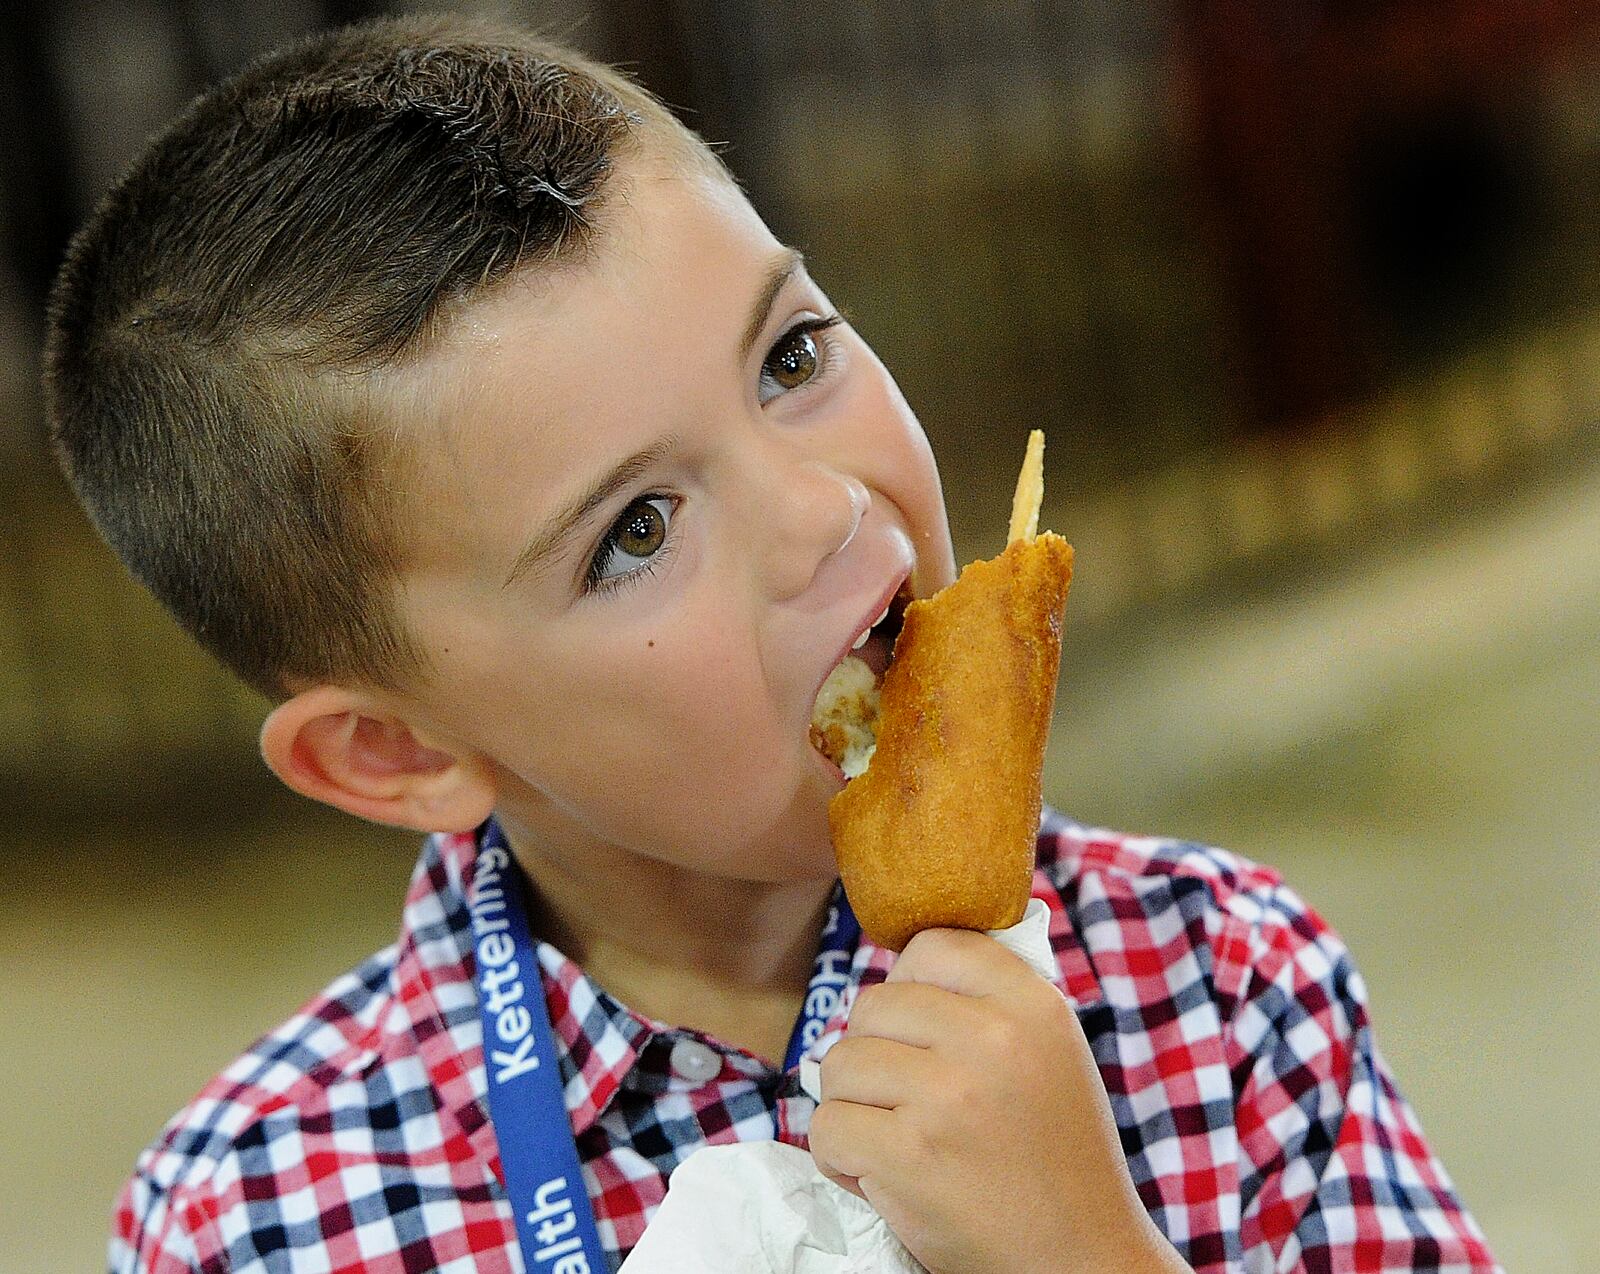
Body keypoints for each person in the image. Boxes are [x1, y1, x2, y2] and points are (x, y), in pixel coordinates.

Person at [46, 15, 1498, 1274]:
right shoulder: (259, 1214)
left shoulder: (1219, 985)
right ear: (401, 747)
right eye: (634, 531)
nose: (819, 512)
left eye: (790, 357)